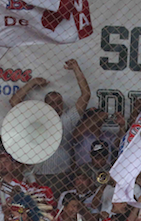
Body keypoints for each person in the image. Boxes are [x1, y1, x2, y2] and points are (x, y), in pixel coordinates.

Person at [10, 60, 90, 190]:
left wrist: (76, 68)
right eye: (51, 103)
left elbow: (86, 95)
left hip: (62, 174)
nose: (55, 106)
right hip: (39, 174)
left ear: (62, 104)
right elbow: (14, 102)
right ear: (46, 105)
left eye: (58, 102)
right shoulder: (36, 120)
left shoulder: (67, 119)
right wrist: (32, 83)